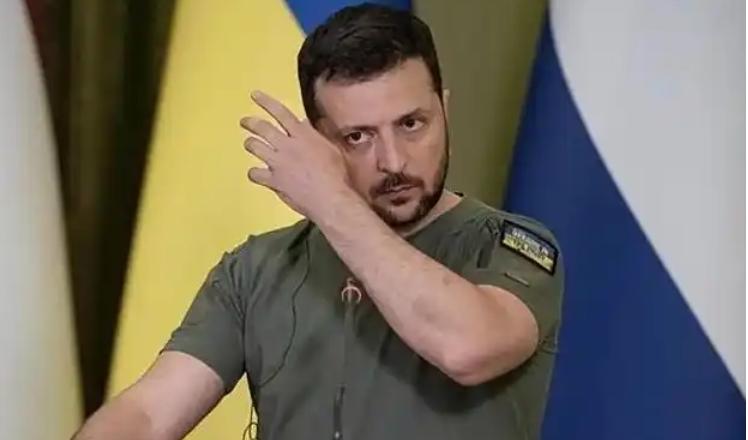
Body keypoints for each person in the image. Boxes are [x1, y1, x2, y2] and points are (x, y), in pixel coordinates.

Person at [73, 4, 564, 440]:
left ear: (444, 110)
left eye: (411, 124)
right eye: (357, 137)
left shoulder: (507, 245)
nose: (394, 161)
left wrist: (330, 201)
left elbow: (468, 348)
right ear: (317, 144)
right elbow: (148, 415)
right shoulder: (256, 270)